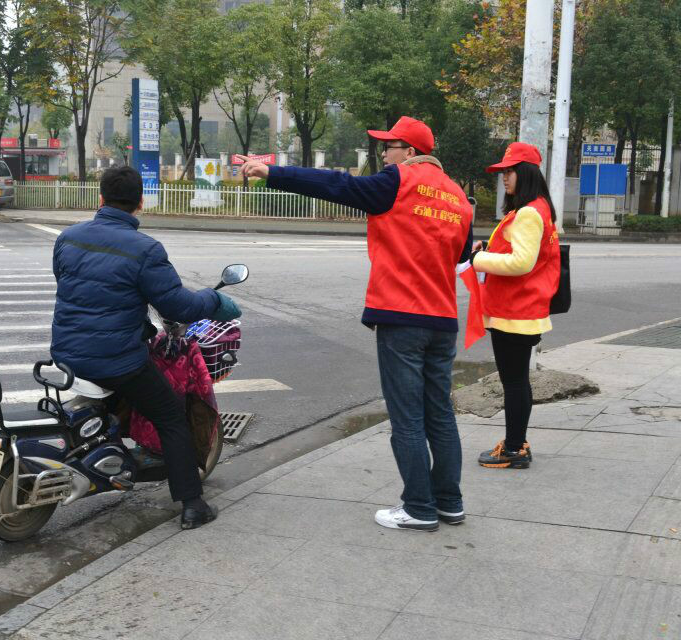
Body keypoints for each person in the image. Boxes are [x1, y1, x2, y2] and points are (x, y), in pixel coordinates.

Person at [240, 116, 473, 532]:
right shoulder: (459, 197)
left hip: (402, 317)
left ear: (413, 152)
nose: (384, 155)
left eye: (391, 146)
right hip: (443, 319)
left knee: (407, 418)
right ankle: (449, 502)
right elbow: (459, 258)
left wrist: (271, 171)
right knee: (440, 414)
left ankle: (419, 508)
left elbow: (337, 185)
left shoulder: (397, 182)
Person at [50, 166, 241, 530]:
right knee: (170, 415)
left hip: (66, 353)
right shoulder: (145, 249)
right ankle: (192, 505)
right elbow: (177, 307)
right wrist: (213, 299)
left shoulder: (68, 238)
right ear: (140, 202)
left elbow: (70, 283)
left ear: (100, 198)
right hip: (116, 359)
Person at [470, 143, 560, 469]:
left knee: (515, 383)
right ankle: (516, 444)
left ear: (525, 173)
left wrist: (476, 259)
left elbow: (522, 262)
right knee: (518, 381)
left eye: (509, 171)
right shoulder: (537, 209)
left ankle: (513, 449)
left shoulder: (529, 213)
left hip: (515, 312)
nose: (504, 178)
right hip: (520, 311)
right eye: (503, 172)